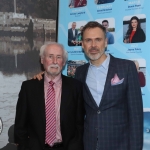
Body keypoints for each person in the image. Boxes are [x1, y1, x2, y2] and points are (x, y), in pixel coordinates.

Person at [33, 21, 143, 150]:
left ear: (106, 42)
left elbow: (136, 115)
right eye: (88, 40)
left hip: (120, 144)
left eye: (98, 39)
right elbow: (65, 91)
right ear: (83, 45)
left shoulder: (126, 68)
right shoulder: (80, 72)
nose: (93, 45)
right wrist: (45, 76)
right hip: (88, 144)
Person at [14, 42, 84, 150]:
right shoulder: (28, 88)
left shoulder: (76, 87)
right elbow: (20, 126)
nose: (55, 61)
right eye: (50, 56)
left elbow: (80, 124)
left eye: (59, 57)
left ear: (64, 62)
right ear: (42, 60)